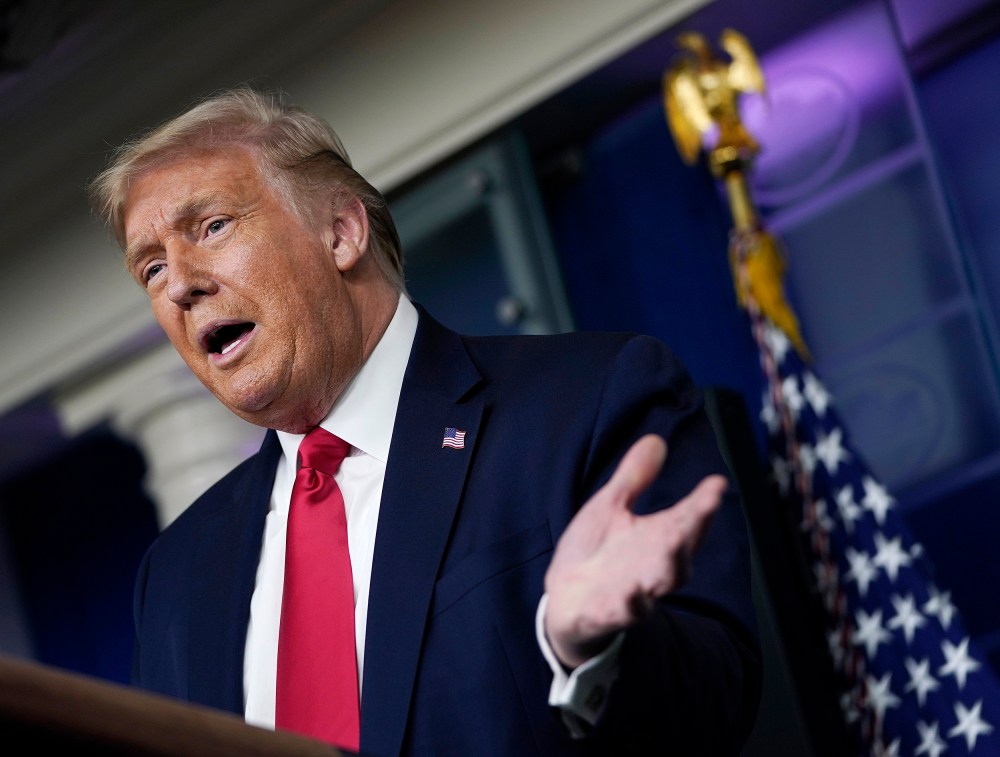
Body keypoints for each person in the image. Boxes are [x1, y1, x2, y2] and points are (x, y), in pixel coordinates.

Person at [88, 86, 762, 756]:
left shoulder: (584, 402)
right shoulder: (174, 577)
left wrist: (590, 651)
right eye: (152, 268)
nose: (180, 284)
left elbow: (717, 706)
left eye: (212, 227)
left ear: (341, 232)